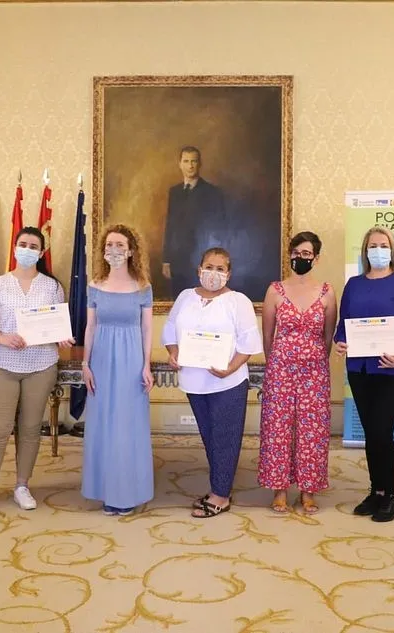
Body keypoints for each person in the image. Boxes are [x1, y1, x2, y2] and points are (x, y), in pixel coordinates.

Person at [0, 227, 75, 515]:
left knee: (31, 429)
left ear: (41, 252)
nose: (28, 249)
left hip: (42, 364)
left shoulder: (52, 286)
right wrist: (3, 337)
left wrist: (63, 337)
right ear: (15, 247)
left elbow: (57, 325)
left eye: (34, 246)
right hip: (3, 364)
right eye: (23, 244)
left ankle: (22, 485)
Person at [162, 247, 263, 518]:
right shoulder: (185, 297)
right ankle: (219, 486)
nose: (213, 273)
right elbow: (171, 329)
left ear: (228, 274)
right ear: (199, 269)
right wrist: (173, 352)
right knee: (210, 437)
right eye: (209, 266)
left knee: (225, 438)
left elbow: (249, 342)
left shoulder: (238, 301)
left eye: (220, 269)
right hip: (194, 381)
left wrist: (230, 368)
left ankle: (220, 495)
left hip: (227, 382)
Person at [334, 226, 394, 523]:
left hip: (393, 371)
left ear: (392, 250)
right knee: (372, 434)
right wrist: (340, 341)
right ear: (365, 250)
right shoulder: (354, 284)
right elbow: (342, 325)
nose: (377, 249)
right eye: (372, 245)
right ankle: (377, 491)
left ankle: (393, 495)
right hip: (361, 370)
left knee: (382, 431)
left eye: (383, 245)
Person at [258, 231, 337, 514]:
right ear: (289, 255)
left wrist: (313, 361)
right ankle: (279, 488)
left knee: (312, 430)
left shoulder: (327, 292)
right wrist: (278, 363)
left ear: (316, 258)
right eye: (296, 253)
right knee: (278, 428)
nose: (300, 258)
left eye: (306, 254)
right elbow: (267, 336)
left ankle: (308, 489)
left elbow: (328, 336)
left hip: (315, 371)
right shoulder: (275, 290)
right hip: (280, 369)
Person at [81, 224, 155, 516]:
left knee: (127, 428)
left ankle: (127, 493)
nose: (114, 250)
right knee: (104, 427)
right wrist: (85, 365)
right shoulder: (95, 286)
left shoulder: (143, 287)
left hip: (131, 360)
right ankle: (105, 491)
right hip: (101, 359)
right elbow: (91, 326)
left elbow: (147, 327)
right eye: (109, 245)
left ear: (131, 250)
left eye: (120, 245)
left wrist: (146, 365)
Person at [162, 146, 225, 297]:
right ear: (180, 164)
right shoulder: (174, 192)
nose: (190, 165)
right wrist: (166, 260)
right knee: (179, 303)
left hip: (201, 260)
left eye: (194, 161)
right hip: (177, 261)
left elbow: (218, 229)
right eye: (186, 161)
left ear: (199, 164)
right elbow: (170, 226)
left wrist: (211, 263)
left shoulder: (212, 192)